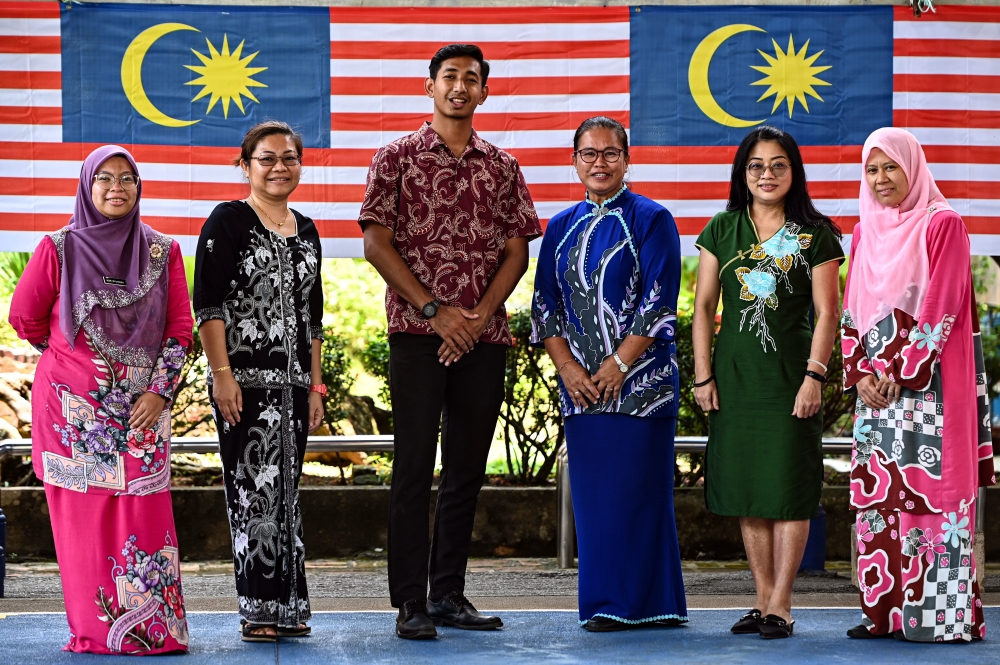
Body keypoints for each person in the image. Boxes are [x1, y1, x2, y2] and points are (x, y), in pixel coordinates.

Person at [359, 43, 541, 640]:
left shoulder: (503, 166)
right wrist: (437, 311)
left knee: (466, 469)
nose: (460, 87)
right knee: (413, 466)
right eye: (449, 77)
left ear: (485, 92)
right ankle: (410, 601)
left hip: (484, 338)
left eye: (471, 79)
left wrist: (481, 313)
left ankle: (449, 594)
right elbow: (376, 243)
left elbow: (518, 246)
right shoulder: (397, 158)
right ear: (430, 86)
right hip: (418, 333)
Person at [9, 145, 192, 654]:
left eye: (127, 178)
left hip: (143, 412)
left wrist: (158, 391)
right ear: (87, 187)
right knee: (84, 525)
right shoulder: (58, 247)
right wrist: (75, 364)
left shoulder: (163, 250)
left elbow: (180, 330)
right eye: (104, 179)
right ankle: (95, 633)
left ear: (139, 187)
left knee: (144, 518)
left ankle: (153, 633)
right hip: (73, 415)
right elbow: (24, 316)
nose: (117, 187)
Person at [531, 116, 687, 631]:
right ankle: (605, 603)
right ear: (574, 161)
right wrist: (569, 368)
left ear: (627, 158)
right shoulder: (558, 226)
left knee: (642, 495)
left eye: (610, 153)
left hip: (643, 387)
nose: (599, 163)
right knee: (597, 503)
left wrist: (620, 363)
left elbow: (660, 299)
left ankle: (653, 604)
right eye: (588, 154)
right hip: (581, 390)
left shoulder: (652, 218)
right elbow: (545, 306)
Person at [841, 127, 995, 642]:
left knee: (932, 494)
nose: (882, 179)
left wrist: (903, 371)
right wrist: (861, 372)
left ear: (913, 167)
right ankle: (883, 614)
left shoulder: (943, 224)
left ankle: (937, 618)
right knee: (879, 499)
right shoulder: (864, 231)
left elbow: (942, 305)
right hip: (877, 393)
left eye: (891, 167)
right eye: (872, 169)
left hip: (931, 389)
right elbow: (852, 309)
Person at [692, 126, 845, 639]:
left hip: (789, 378)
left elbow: (829, 314)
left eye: (779, 164)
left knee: (788, 488)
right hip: (733, 378)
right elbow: (703, 309)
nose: (767, 174)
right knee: (748, 489)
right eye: (756, 165)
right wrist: (703, 375)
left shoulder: (816, 233)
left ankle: (782, 603)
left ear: (794, 172)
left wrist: (814, 377)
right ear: (743, 173)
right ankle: (760, 600)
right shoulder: (721, 227)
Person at [193, 121, 325, 642]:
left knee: (286, 495)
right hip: (243, 386)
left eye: (288, 158)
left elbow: (315, 320)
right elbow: (209, 306)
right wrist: (221, 377)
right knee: (252, 494)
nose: (279, 167)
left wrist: (316, 387)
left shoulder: (308, 228)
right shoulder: (226, 222)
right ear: (245, 165)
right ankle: (258, 608)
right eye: (266, 159)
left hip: (294, 388)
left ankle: (290, 606)